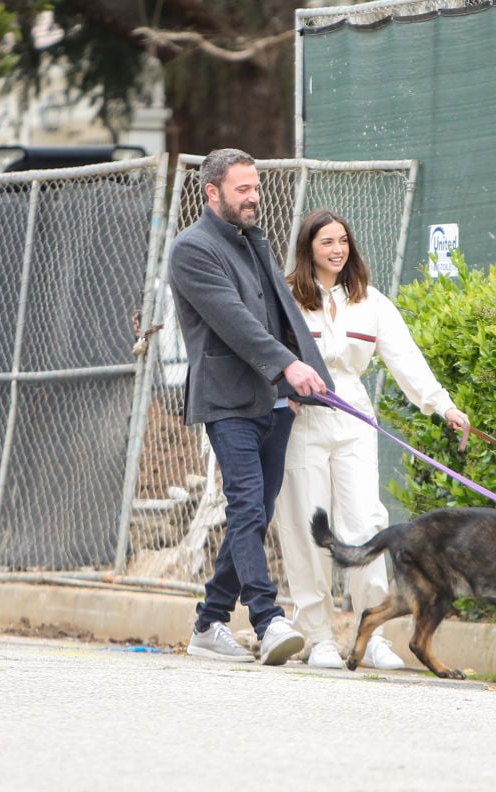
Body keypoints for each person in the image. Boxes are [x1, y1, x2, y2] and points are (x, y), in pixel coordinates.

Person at [274, 208, 469, 671]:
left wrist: (443, 406)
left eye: (343, 240)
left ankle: (372, 633)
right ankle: (317, 636)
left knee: (365, 525)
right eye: (327, 242)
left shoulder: (371, 301)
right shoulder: (286, 298)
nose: (337, 249)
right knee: (305, 524)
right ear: (308, 249)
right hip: (303, 424)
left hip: (355, 420)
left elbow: (405, 358)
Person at [168, 149, 334, 665]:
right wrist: (287, 366)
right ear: (212, 192)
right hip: (227, 400)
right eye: (243, 189)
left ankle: (209, 623)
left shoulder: (252, 241)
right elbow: (234, 319)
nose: (254, 197)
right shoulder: (191, 249)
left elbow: (279, 313)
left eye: (256, 187)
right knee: (245, 503)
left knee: (256, 511)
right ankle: (267, 618)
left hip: (274, 399)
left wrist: (307, 381)